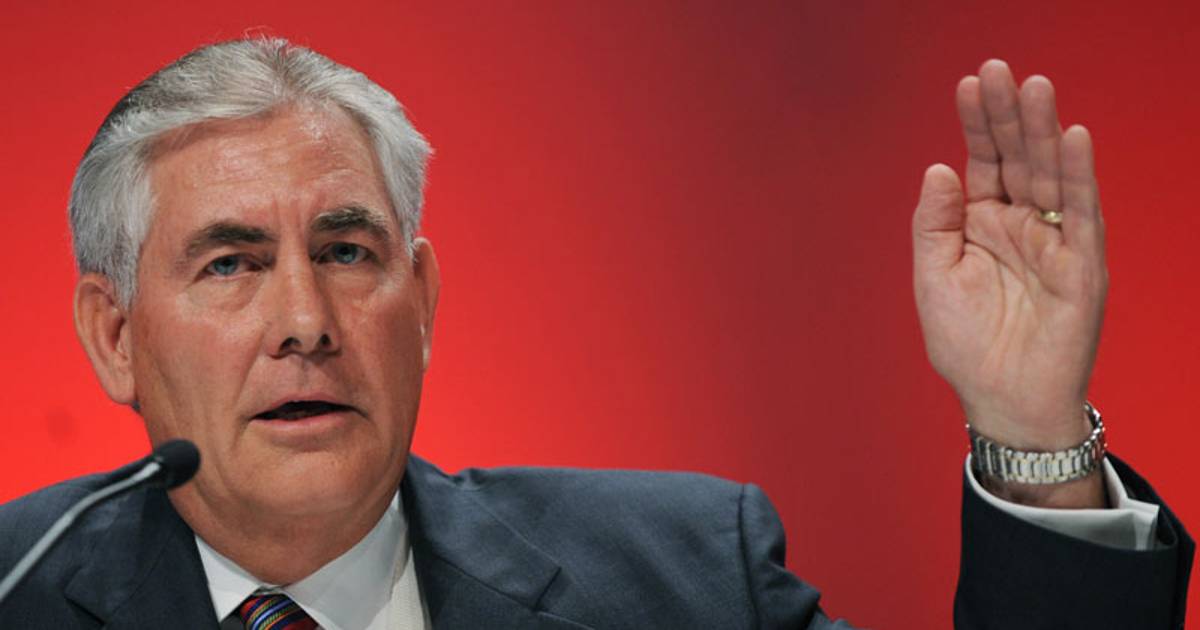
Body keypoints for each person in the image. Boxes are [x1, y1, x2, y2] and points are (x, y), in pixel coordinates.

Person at [0, 38, 1191, 629]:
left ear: (423, 300)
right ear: (115, 338)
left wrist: (1031, 425)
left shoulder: (690, 580)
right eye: (231, 265)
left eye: (349, 252)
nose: (305, 322)